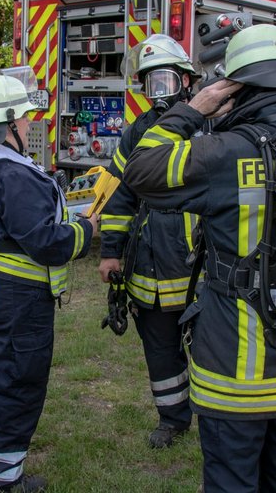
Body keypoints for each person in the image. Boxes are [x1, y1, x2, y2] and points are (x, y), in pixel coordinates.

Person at [123, 24, 276, 492]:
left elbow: (140, 171)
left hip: (235, 372)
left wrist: (192, 109)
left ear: (234, 89)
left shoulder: (220, 152)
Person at [0, 73, 98, 493]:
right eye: (25, 117)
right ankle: (0, 483)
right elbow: (47, 243)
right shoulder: (10, 174)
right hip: (13, 303)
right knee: (17, 387)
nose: (30, 124)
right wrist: (87, 229)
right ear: (7, 122)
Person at [98, 34, 200, 448]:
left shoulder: (208, 127)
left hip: (198, 268)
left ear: (187, 81)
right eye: (150, 83)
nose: (158, 93)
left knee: (212, 352)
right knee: (160, 352)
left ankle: (217, 418)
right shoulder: (135, 134)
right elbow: (120, 195)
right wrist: (109, 253)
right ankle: (173, 419)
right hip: (147, 271)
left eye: (167, 81)